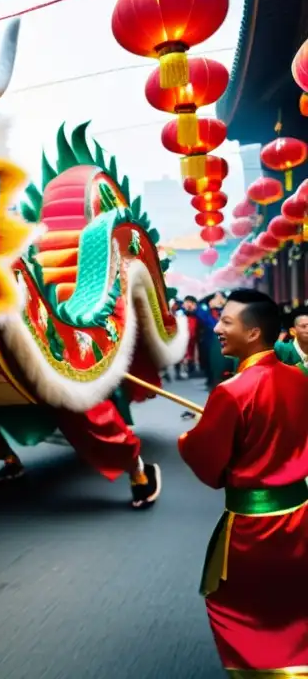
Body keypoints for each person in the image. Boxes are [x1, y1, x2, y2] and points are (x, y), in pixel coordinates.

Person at [178, 289, 308, 676]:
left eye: (227, 322)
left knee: (240, 607)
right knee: (295, 600)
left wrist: (187, 441)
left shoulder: (232, 391)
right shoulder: (299, 379)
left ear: (253, 333)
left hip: (254, 528)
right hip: (301, 514)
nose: (216, 327)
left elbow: (207, 461)